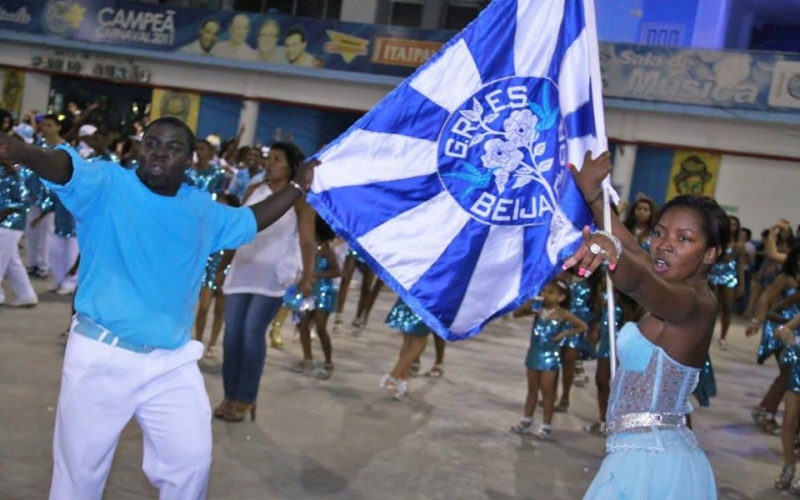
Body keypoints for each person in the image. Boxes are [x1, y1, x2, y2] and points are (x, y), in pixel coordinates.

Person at [0, 116, 317, 499]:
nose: (159, 153)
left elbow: (250, 220)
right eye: (151, 143)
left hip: (172, 361)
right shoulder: (109, 184)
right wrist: (24, 152)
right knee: (79, 476)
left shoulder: (201, 207)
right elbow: (66, 168)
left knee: (191, 464)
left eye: (172, 148)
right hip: (102, 354)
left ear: (189, 160)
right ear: (139, 147)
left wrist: (298, 186)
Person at [566, 151, 724, 499]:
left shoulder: (692, 303)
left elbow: (637, 279)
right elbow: (635, 251)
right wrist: (594, 197)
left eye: (684, 239)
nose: (665, 245)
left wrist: (613, 253)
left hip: (652, 463)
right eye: (660, 232)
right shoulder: (678, 285)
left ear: (710, 254)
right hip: (641, 454)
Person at [217, 142, 315, 423]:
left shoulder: (299, 199)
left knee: (251, 333)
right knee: (232, 335)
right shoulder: (252, 191)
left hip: (272, 276)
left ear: (291, 167)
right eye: (268, 158)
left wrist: (307, 276)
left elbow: (307, 241)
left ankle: (246, 398)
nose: (269, 163)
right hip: (242, 270)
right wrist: (224, 266)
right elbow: (237, 230)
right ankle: (229, 395)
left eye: (277, 159)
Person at [510, 279, 587, 440]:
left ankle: (546, 425)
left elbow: (582, 326)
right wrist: (529, 305)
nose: (545, 295)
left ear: (561, 297)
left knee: (547, 391)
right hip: (534, 353)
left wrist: (563, 335)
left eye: (550, 293)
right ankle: (526, 420)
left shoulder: (562, 314)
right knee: (532, 389)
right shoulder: (537, 309)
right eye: (544, 291)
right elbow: (516, 314)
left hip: (549, 356)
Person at [746, 245, 800, 436]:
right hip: (779, 329)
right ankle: (765, 413)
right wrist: (756, 321)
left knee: (791, 376)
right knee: (787, 374)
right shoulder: (786, 278)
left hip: (795, 332)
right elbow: (766, 299)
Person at [288, 214, 340, 379]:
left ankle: (328, 363)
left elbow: (337, 271)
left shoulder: (325, 249)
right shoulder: (307, 248)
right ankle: (308, 359)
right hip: (308, 291)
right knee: (303, 325)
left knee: (320, 327)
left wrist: (315, 274)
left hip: (323, 291)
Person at [768, 294, 800, 492]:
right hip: (798, 373)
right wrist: (784, 331)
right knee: (788, 424)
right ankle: (788, 467)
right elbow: (784, 328)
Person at [380, 298, 440, 399]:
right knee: (418, 344)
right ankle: (392, 377)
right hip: (426, 299)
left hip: (411, 295)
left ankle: (402, 380)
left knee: (409, 342)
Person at [0, 153, 38, 307]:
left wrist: (4, 213)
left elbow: (23, 202)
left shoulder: (14, 175)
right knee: (12, 262)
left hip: (10, 224)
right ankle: (26, 295)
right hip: (5, 224)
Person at [709, 215, 745, 350]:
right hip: (714, 273)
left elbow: (740, 265)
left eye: (734, 225)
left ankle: (723, 337)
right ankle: (707, 333)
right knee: (713, 306)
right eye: (729, 224)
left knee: (728, 307)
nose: (731, 227)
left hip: (729, 275)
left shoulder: (739, 245)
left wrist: (741, 284)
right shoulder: (716, 240)